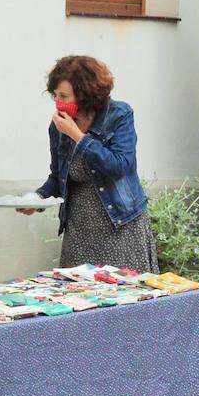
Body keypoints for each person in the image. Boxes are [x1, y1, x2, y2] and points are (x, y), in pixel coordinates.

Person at [25, 55, 159, 273]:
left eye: (64, 96)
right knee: (78, 291)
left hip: (120, 226)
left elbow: (120, 166)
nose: (58, 102)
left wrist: (78, 137)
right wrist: (36, 199)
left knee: (125, 289)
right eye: (55, 95)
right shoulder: (58, 127)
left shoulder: (119, 115)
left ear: (85, 95)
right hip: (80, 231)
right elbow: (58, 177)